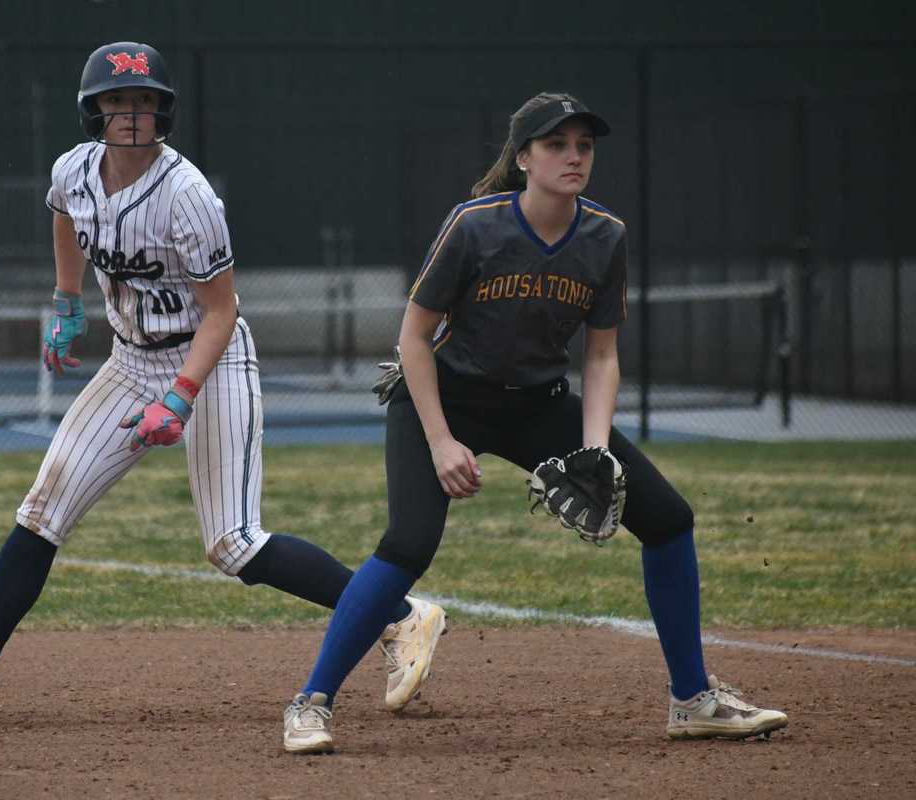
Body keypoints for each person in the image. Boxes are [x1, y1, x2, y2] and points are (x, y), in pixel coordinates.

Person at [0, 42, 445, 723]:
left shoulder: (188, 195)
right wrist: (65, 304)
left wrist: (179, 398)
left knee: (233, 542)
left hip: (210, 356)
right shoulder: (75, 169)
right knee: (42, 511)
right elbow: (65, 214)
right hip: (128, 358)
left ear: (162, 110)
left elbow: (221, 310)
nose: (132, 114)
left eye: (144, 100)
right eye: (118, 101)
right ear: (95, 109)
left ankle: (401, 614)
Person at [279, 92, 789, 754]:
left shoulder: (606, 236)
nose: (574, 156)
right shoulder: (476, 225)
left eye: (584, 145)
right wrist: (440, 443)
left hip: (537, 402)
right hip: (444, 394)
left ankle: (692, 700)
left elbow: (602, 355)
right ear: (523, 159)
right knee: (408, 543)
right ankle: (311, 702)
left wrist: (597, 452)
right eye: (556, 145)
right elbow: (412, 340)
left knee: (668, 519)